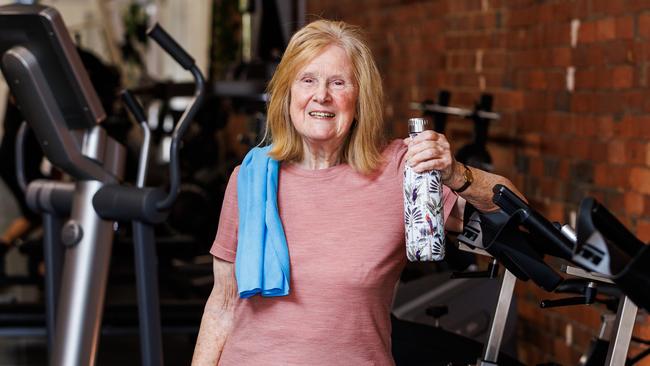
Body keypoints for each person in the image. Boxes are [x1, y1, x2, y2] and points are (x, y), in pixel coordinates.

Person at [192, 19, 523, 365]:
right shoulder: (250, 179)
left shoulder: (400, 172)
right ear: (287, 92)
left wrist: (456, 173)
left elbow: (516, 219)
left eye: (338, 82)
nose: (321, 95)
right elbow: (222, 304)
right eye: (308, 80)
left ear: (360, 97)